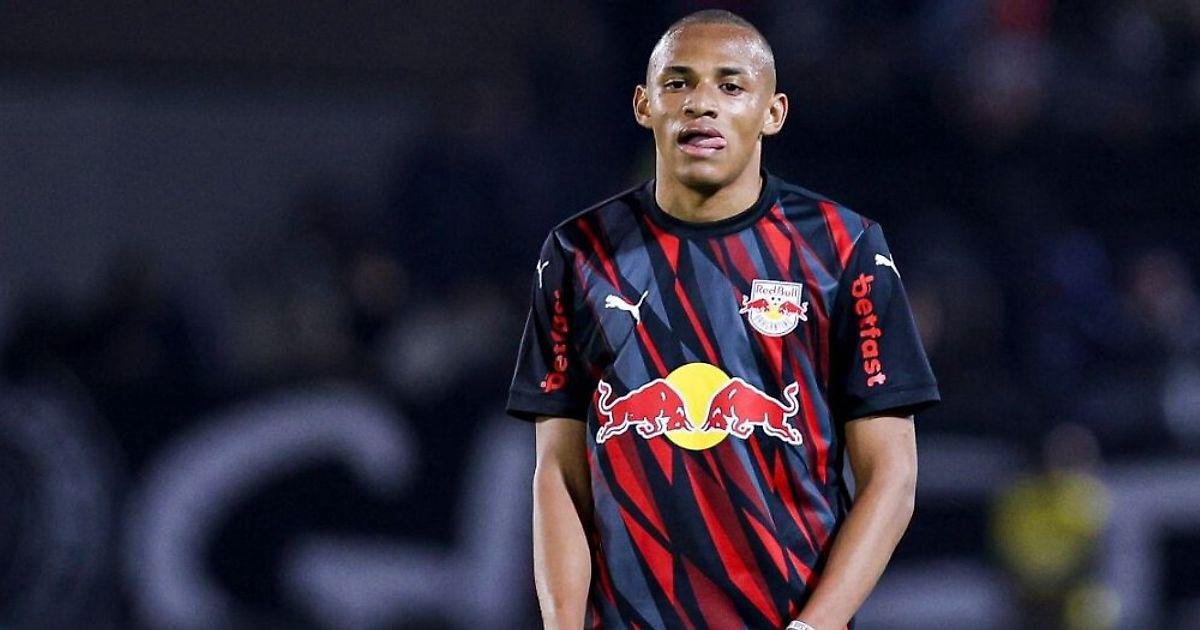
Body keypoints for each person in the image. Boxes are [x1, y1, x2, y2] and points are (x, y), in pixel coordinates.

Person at [506, 9, 939, 629]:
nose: (701, 103)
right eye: (677, 83)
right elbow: (558, 474)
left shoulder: (843, 249)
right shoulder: (578, 253)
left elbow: (892, 476)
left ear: (773, 113)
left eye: (731, 86)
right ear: (644, 104)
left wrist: (813, 627)